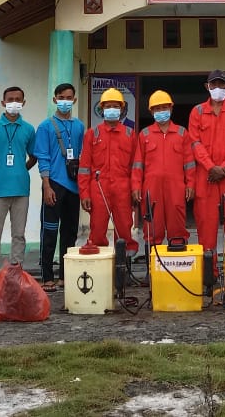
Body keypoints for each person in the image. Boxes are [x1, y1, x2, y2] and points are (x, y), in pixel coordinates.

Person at [0, 86, 37, 290]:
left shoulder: (29, 129)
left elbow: (34, 156)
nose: (14, 102)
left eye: (18, 99)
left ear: (23, 102)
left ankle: (15, 275)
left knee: (18, 234)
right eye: (10, 99)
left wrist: (22, 169)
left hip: (21, 189)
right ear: (3, 102)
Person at [188, 70, 225, 261]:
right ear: (207, 87)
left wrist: (224, 167)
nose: (217, 88)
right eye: (213, 85)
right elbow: (194, 142)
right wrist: (210, 167)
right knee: (206, 225)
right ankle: (209, 273)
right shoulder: (197, 111)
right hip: (206, 177)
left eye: (221, 84)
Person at [33, 82, 85, 292]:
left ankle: (65, 275)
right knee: (49, 232)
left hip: (74, 186)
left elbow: (84, 155)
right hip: (54, 184)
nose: (66, 101)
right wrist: (46, 185)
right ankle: (47, 276)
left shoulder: (79, 126)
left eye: (69, 97)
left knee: (70, 232)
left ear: (74, 100)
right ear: (55, 99)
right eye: (62, 97)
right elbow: (42, 157)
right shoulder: (45, 126)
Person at [79, 87, 140, 247]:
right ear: (102, 109)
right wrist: (84, 194)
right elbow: (84, 167)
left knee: (125, 231)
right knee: (97, 230)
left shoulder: (130, 134)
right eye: (108, 106)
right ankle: (100, 266)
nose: (112, 109)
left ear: (121, 109)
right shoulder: (92, 134)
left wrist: (135, 189)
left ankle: (124, 266)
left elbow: (136, 166)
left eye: (115, 106)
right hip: (98, 188)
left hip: (123, 188)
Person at [138, 90, 194, 246]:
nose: (161, 111)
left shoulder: (182, 133)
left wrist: (191, 184)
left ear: (171, 109)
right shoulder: (145, 134)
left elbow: (189, 162)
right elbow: (138, 164)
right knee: (152, 222)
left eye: (164, 108)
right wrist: (136, 187)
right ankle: (153, 263)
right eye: (157, 109)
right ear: (151, 111)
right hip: (151, 187)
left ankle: (177, 257)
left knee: (177, 220)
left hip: (176, 186)